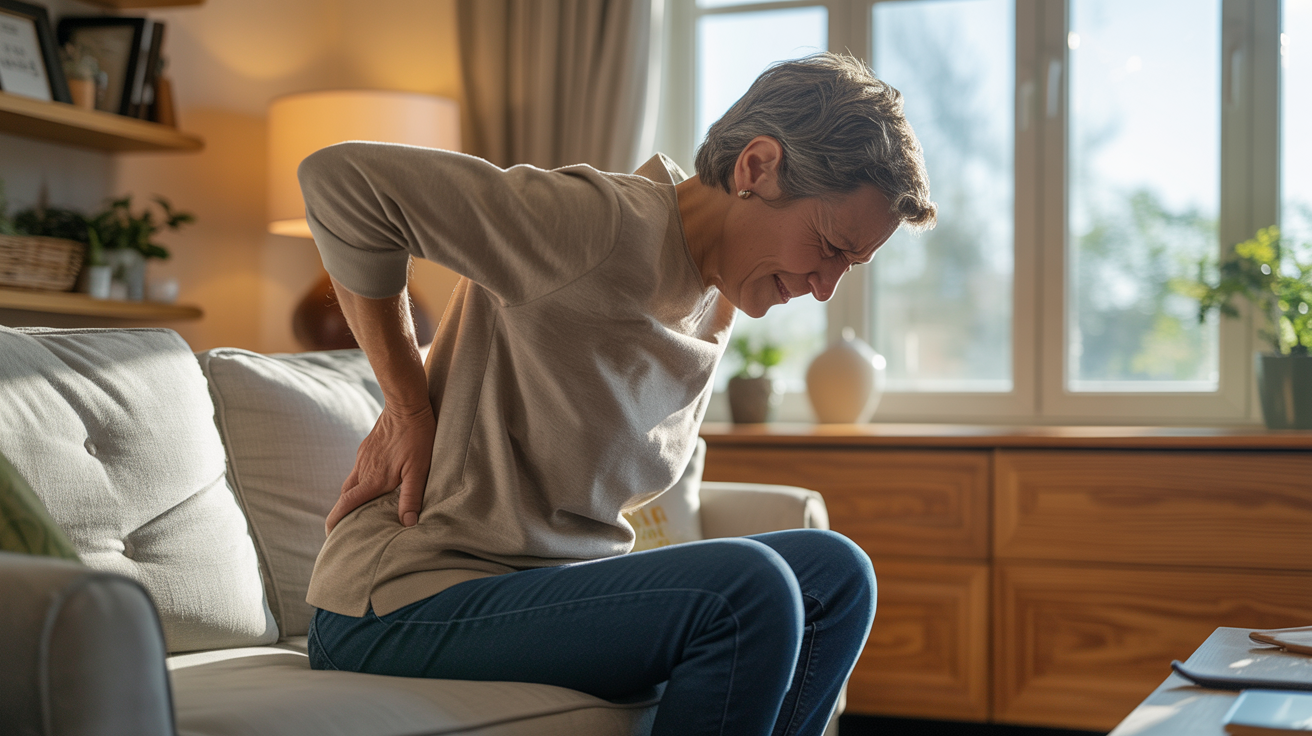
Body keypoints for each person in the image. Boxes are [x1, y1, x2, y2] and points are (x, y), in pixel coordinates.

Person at [299, 52, 935, 736]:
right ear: (757, 167)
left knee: (837, 577)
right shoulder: (599, 225)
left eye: (851, 264)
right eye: (831, 246)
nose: (826, 286)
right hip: (407, 601)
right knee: (750, 591)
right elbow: (342, 183)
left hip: (545, 595)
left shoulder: (715, 301)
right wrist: (406, 405)